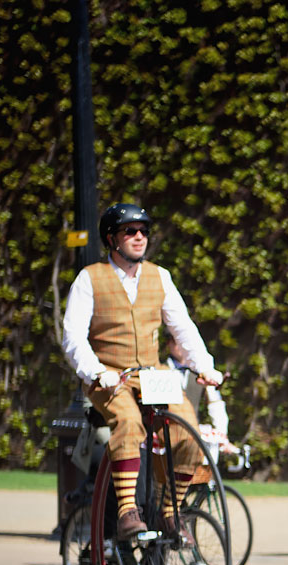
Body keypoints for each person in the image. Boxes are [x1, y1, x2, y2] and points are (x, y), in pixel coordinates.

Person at [59, 203, 223, 544]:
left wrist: (204, 366)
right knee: (129, 423)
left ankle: (170, 511)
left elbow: (183, 328)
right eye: (130, 231)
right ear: (111, 239)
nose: (139, 237)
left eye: (144, 231)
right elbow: (73, 336)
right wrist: (95, 371)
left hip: (152, 374)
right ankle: (127, 511)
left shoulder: (159, 276)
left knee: (189, 432)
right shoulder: (90, 278)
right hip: (110, 375)